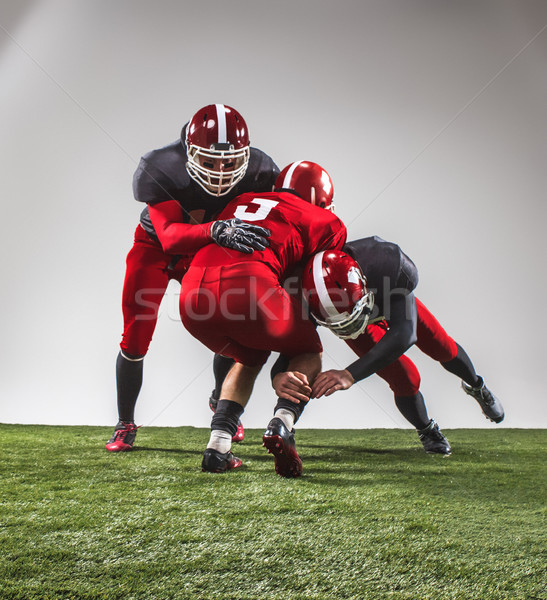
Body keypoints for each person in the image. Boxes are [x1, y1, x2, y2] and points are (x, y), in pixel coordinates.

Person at [106, 104, 279, 452]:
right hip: (155, 247)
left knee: (228, 322)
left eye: (230, 163)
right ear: (187, 153)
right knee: (136, 336)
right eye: (210, 161)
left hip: (208, 249)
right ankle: (125, 423)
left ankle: (221, 399)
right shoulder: (161, 166)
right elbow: (169, 235)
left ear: (245, 157)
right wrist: (216, 228)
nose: (220, 171)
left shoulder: (262, 171)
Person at [179, 161, 346, 476]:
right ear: (323, 201)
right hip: (252, 291)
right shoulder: (327, 220)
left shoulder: (241, 200)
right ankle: (282, 423)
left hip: (191, 298)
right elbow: (312, 280)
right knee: (309, 349)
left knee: (250, 353)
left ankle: (218, 446)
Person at [274, 239, 504, 456]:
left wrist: (350, 374)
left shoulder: (384, 265)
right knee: (405, 378)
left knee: (442, 346)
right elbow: (289, 350)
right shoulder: (301, 296)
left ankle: (476, 386)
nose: (346, 327)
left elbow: (405, 334)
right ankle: (427, 429)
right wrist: (278, 377)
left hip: (388, 302)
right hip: (360, 319)